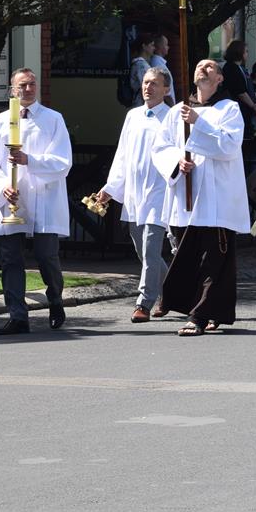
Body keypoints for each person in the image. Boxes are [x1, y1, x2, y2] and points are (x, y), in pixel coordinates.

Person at [153, 59, 250, 335]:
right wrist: (177, 162)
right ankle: (208, 310)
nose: (203, 69)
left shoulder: (229, 109)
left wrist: (199, 123)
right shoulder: (177, 112)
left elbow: (230, 146)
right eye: (199, 66)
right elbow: (161, 147)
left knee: (213, 258)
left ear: (220, 78)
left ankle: (198, 316)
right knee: (189, 257)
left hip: (216, 199)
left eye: (210, 67)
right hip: (186, 194)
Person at [0, 68, 73, 335]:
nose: (28, 89)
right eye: (22, 85)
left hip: (43, 197)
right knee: (11, 259)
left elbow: (63, 161)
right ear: (12, 89)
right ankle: (17, 316)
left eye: (32, 84)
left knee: (46, 256)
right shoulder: (0, 122)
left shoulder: (53, 119)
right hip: (12, 198)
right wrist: (2, 186)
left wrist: (29, 160)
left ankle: (55, 299)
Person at [95, 67, 171, 323]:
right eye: (145, 83)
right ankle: (173, 288)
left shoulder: (171, 118)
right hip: (135, 193)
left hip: (160, 193)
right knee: (142, 250)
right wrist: (110, 188)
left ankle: (144, 303)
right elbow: (123, 155)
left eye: (154, 83)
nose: (148, 87)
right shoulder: (133, 116)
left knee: (151, 249)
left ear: (166, 89)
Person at [222, 39, 256, 132]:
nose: (247, 54)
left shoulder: (242, 68)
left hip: (248, 109)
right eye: (246, 51)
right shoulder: (231, 68)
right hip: (240, 110)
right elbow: (240, 92)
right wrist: (253, 106)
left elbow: (250, 87)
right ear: (239, 52)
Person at [129, 36, 156, 108]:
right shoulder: (141, 65)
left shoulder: (142, 64)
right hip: (140, 104)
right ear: (144, 46)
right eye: (152, 45)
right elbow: (145, 86)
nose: (154, 48)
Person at [149, 33, 176, 104]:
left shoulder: (160, 62)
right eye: (166, 45)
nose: (168, 47)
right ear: (160, 46)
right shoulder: (156, 63)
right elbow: (161, 86)